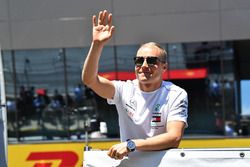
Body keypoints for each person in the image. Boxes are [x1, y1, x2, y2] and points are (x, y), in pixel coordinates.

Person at [82, 10, 188, 160]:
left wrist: (132, 145)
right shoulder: (124, 89)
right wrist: (97, 45)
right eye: (139, 61)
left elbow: (174, 138)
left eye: (151, 61)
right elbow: (89, 80)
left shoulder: (176, 93)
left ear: (164, 67)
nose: (144, 66)